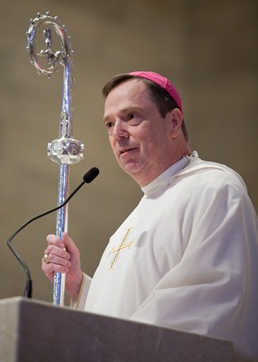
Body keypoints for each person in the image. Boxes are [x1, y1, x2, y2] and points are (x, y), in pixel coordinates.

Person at [42, 71, 258, 360]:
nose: (117, 133)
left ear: (173, 122)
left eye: (131, 116)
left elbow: (204, 308)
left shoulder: (215, 189)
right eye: (109, 123)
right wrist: (81, 288)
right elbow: (124, 307)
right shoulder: (131, 221)